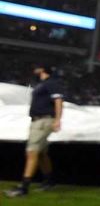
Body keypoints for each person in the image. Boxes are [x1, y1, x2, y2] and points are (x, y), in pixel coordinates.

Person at [5, 65, 65, 198]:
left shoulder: (52, 83)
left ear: (43, 70)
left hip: (43, 121)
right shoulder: (43, 84)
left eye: (37, 69)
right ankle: (49, 181)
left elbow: (58, 100)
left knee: (31, 152)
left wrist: (57, 120)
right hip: (38, 121)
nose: (34, 71)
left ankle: (24, 188)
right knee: (42, 153)